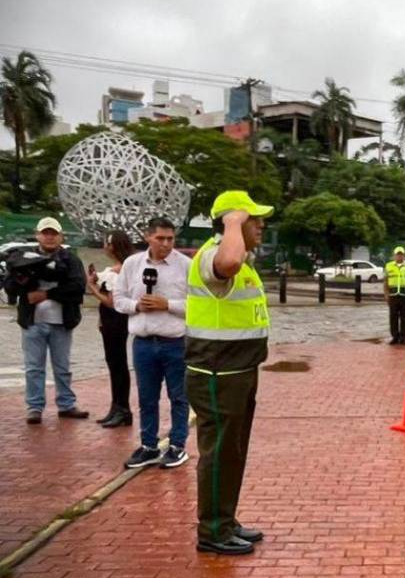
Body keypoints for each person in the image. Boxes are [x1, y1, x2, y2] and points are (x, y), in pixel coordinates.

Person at [185, 191, 273, 556]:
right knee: (220, 453)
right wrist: (234, 220)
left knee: (232, 451)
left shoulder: (245, 263)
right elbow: (229, 262)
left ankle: (225, 519)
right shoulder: (213, 255)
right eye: (254, 219)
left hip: (238, 370)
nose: (261, 225)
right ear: (231, 222)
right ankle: (213, 531)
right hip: (217, 371)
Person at [116, 218, 192, 469]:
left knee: (179, 396)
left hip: (175, 342)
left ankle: (177, 445)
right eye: (160, 238)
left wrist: (167, 305)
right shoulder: (132, 264)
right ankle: (149, 445)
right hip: (143, 343)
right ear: (148, 237)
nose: (166, 244)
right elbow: (119, 299)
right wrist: (137, 305)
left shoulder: (186, 265)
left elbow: (198, 305)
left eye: (170, 239)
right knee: (147, 398)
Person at [7, 217, 88, 424]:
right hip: (32, 322)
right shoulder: (22, 258)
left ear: (61, 236)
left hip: (62, 322)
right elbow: (10, 287)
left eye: (54, 233)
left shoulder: (70, 260)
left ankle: (66, 404)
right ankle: (35, 407)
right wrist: (25, 280)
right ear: (37, 235)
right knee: (34, 367)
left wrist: (47, 295)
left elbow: (78, 287)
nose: (50, 237)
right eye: (45, 233)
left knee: (62, 367)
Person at [87, 230, 134, 428]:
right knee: (114, 363)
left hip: (116, 320)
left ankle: (122, 409)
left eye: (107, 243)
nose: (104, 247)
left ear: (112, 246)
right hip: (110, 321)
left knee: (117, 364)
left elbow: (111, 302)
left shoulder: (118, 271)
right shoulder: (121, 268)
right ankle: (117, 407)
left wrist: (92, 288)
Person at [383, 246, 405, 346]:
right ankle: (394, 337)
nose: (399, 256)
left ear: (404, 255)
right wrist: (386, 294)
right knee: (393, 317)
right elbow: (385, 282)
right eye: (397, 254)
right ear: (394, 255)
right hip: (393, 295)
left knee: (404, 317)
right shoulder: (388, 266)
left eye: (401, 254)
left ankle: (403, 338)